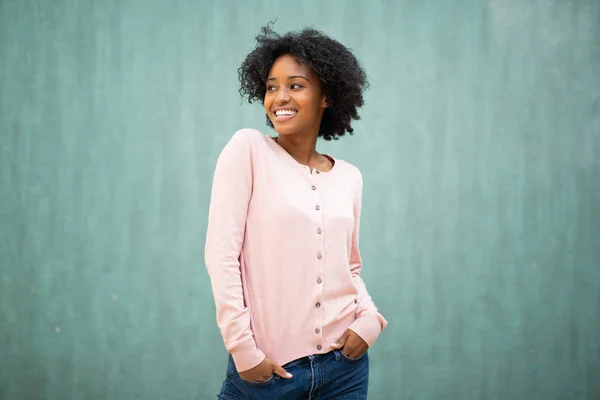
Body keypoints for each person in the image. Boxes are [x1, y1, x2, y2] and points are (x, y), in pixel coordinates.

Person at [205, 23, 388, 400]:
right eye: (272, 86)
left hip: (345, 371)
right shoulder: (249, 150)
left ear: (326, 97)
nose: (279, 97)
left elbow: (350, 268)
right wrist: (244, 352)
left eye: (296, 85)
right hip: (270, 375)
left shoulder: (349, 177)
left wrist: (370, 320)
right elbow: (222, 257)